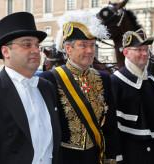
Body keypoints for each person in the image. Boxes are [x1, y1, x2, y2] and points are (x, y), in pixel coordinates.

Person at [0, 12, 61, 164]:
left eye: (37, 45)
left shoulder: (46, 87)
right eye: (27, 44)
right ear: (5, 51)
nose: (35, 50)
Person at [39, 10, 117, 164]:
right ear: (68, 49)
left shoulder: (105, 79)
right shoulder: (49, 79)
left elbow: (110, 125)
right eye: (83, 45)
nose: (90, 51)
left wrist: (109, 158)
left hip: (95, 157)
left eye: (92, 45)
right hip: (63, 158)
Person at [111, 29, 154, 164]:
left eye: (146, 49)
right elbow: (112, 133)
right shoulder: (114, 83)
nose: (145, 54)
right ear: (126, 53)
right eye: (139, 49)